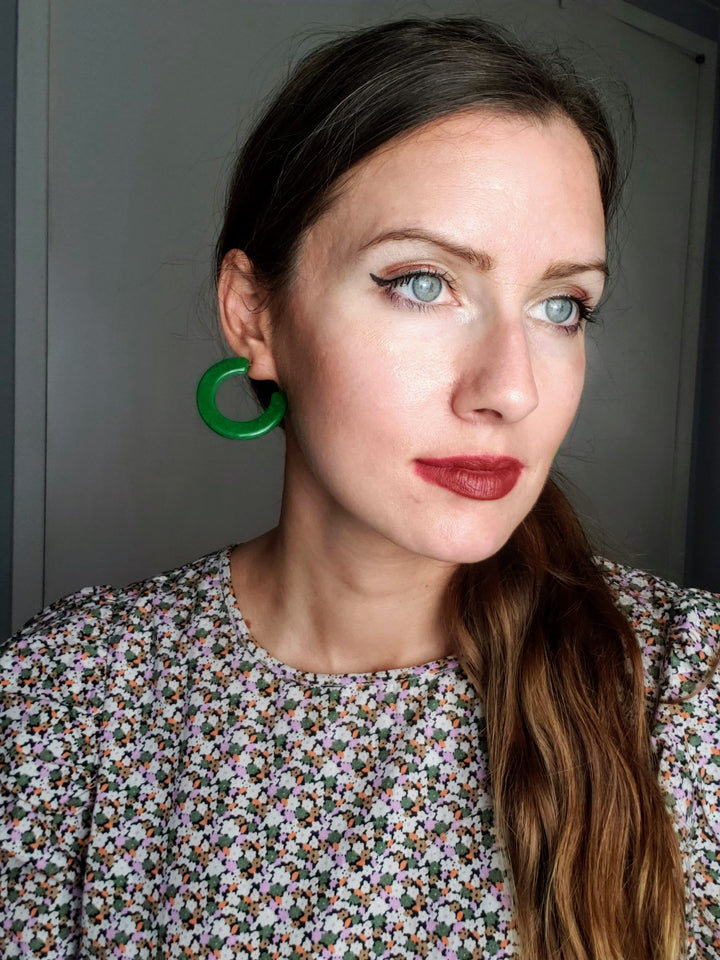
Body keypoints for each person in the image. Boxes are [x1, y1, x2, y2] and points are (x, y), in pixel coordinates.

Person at [1, 15, 718, 960]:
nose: (511, 389)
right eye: (422, 283)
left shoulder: (687, 693)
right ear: (254, 315)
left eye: (561, 305)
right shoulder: (66, 698)